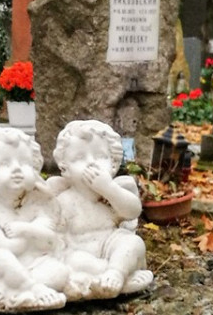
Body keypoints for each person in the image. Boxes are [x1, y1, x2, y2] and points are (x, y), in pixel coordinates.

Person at [0, 127, 69, 306]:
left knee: (60, 271)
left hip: (34, 266)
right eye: (4, 164)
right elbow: (0, 247)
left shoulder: (36, 204)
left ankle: (15, 290)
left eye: (24, 163)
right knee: (1, 257)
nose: (16, 169)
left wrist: (26, 229)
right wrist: (32, 234)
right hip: (3, 267)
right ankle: (33, 289)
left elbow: (50, 241)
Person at [51, 120, 152, 297]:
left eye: (100, 156)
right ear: (65, 168)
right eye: (79, 158)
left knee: (133, 243)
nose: (92, 163)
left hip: (111, 247)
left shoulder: (113, 194)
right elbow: (54, 238)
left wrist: (109, 189)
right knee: (74, 260)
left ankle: (116, 274)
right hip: (79, 254)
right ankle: (117, 279)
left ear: (113, 164)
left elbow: (133, 212)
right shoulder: (64, 200)